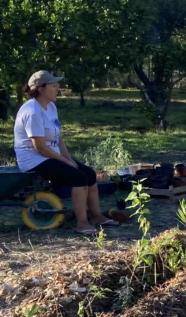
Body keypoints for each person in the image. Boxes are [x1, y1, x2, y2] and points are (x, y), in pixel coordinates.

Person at [14, 71, 120, 236]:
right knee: (78, 178)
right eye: (53, 85)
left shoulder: (51, 107)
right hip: (34, 159)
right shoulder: (32, 111)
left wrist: (69, 159)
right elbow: (40, 148)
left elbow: (58, 137)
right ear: (40, 89)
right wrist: (64, 162)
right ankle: (82, 223)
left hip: (50, 155)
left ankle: (97, 216)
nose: (57, 88)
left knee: (89, 174)